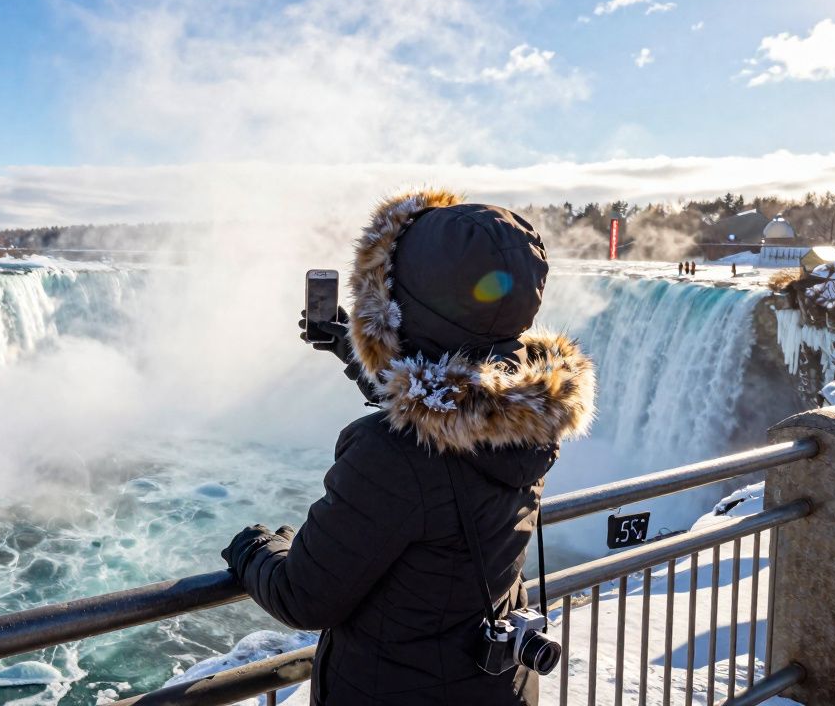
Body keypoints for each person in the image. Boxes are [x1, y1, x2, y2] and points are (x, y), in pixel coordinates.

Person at [221, 190, 596, 705]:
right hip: (493, 690)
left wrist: (255, 548)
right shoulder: (527, 416)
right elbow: (451, 415)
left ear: (400, 308)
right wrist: (351, 353)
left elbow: (303, 595)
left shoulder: (390, 456)